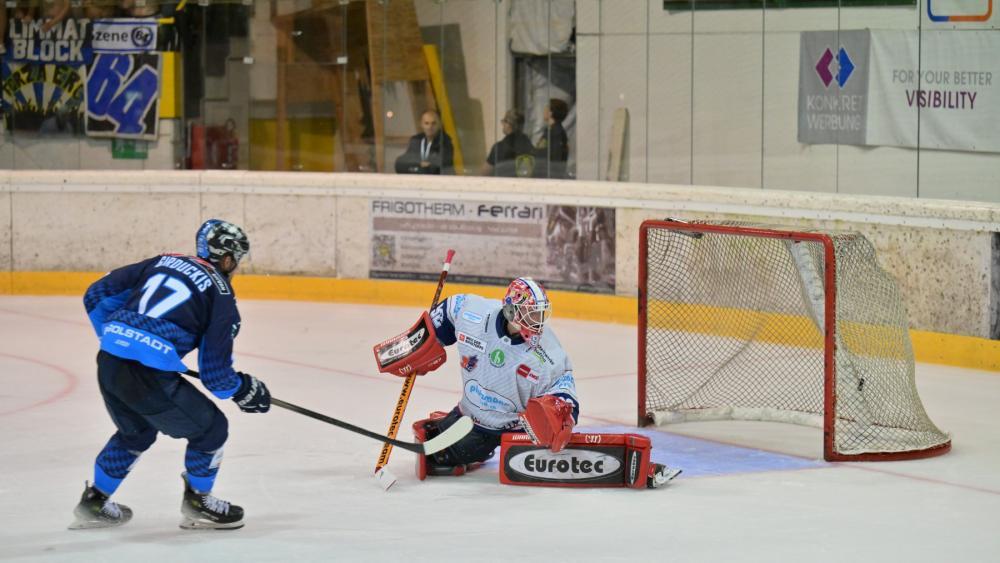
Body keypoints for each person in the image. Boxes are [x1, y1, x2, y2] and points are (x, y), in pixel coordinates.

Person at [70, 220, 271, 531]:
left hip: (109, 361)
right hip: (146, 375)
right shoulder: (221, 294)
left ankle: (94, 501)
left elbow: (96, 295)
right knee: (212, 430)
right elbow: (216, 377)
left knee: (135, 433)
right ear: (229, 259)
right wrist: (244, 388)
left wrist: (118, 337)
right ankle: (198, 502)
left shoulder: (164, 260)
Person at [386, 277, 677, 488]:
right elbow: (447, 311)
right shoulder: (472, 312)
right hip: (475, 421)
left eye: (541, 314)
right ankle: (463, 439)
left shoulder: (546, 351)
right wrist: (423, 343)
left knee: (562, 461)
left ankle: (633, 463)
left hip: (523, 431)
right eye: (531, 314)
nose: (538, 322)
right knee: (441, 456)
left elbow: (564, 384)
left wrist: (562, 410)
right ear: (512, 310)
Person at [395, 110, 454, 175]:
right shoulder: (416, 140)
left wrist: (414, 167)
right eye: (426, 123)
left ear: (440, 124)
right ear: (421, 125)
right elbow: (399, 165)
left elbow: (434, 168)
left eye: (433, 123)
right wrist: (419, 165)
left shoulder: (445, 142)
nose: (430, 127)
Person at [482, 109, 534, 177]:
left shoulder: (499, 148)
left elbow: (484, 173)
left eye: (504, 121)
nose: (502, 124)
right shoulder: (528, 145)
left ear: (508, 124)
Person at [533, 98, 570, 179]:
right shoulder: (550, 131)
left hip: (549, 178)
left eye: (546, 107)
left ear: (551, 113)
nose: (544, 110)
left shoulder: (556, 133)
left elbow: (557, 158)